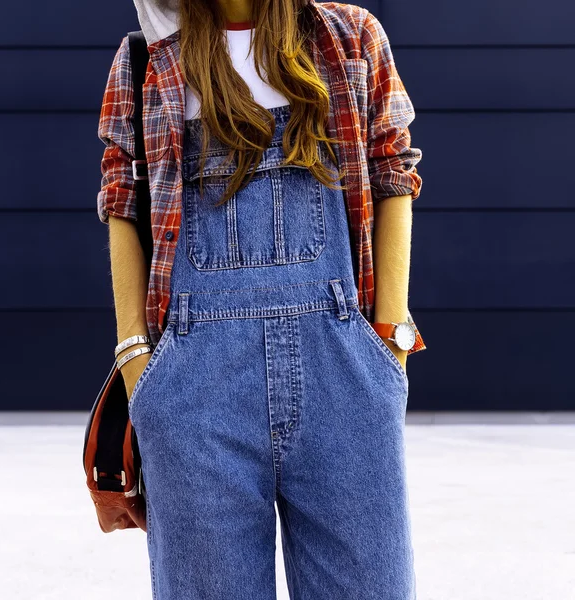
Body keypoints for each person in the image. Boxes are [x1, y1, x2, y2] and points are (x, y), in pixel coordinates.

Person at [97, 0, 425, 598]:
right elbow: (123, 200)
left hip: (345, 384)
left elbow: (391, 172)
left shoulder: (350, 39)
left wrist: (389, 339)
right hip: (194, 395)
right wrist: (136, 363)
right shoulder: (145, 59)